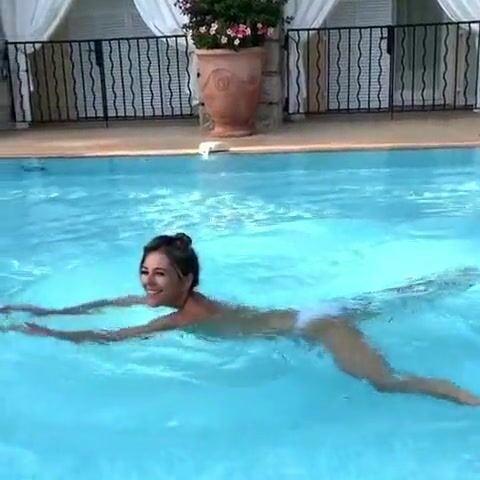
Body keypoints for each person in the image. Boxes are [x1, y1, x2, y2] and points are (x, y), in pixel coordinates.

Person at [1, 232, 480, 406]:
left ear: (187, 280)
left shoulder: (185, 316)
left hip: (318, 326)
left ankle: (466, 397)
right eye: (144, 272)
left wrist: (44, 334)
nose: (147, 282)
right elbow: (111, 303)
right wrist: (45, 310)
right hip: (307, 315)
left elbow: (111, 336)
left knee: (386, 383)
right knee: (402, 299)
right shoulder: (171, 298)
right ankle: (460, 276)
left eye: (159, 274)